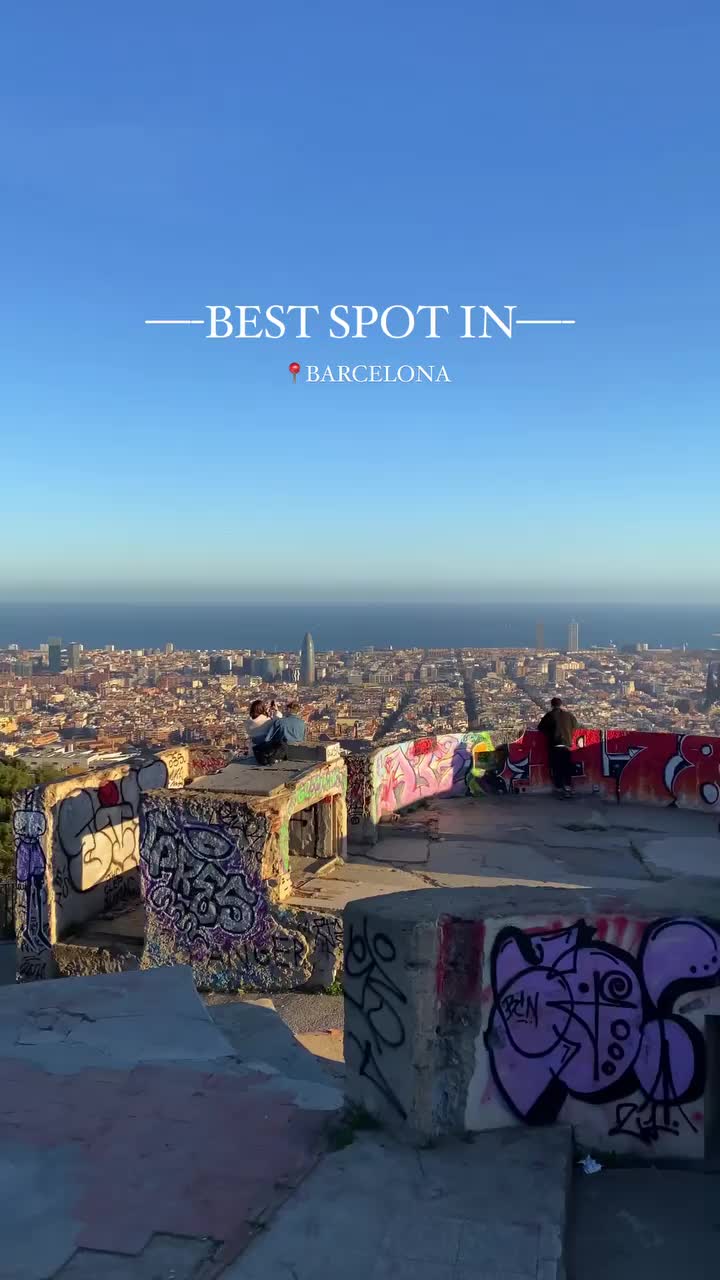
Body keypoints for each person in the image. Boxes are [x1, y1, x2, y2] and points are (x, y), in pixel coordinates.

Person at [537, 697, 578, 796]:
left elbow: (540, 728)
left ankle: (559, 787)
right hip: (566, 745)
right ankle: (568, 786)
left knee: (556, 768)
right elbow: (575, 726)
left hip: (554, 745)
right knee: (567, 767)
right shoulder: (569, 715)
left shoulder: (549, 715)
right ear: (561, 704)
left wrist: (550, 732)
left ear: (551, 705)